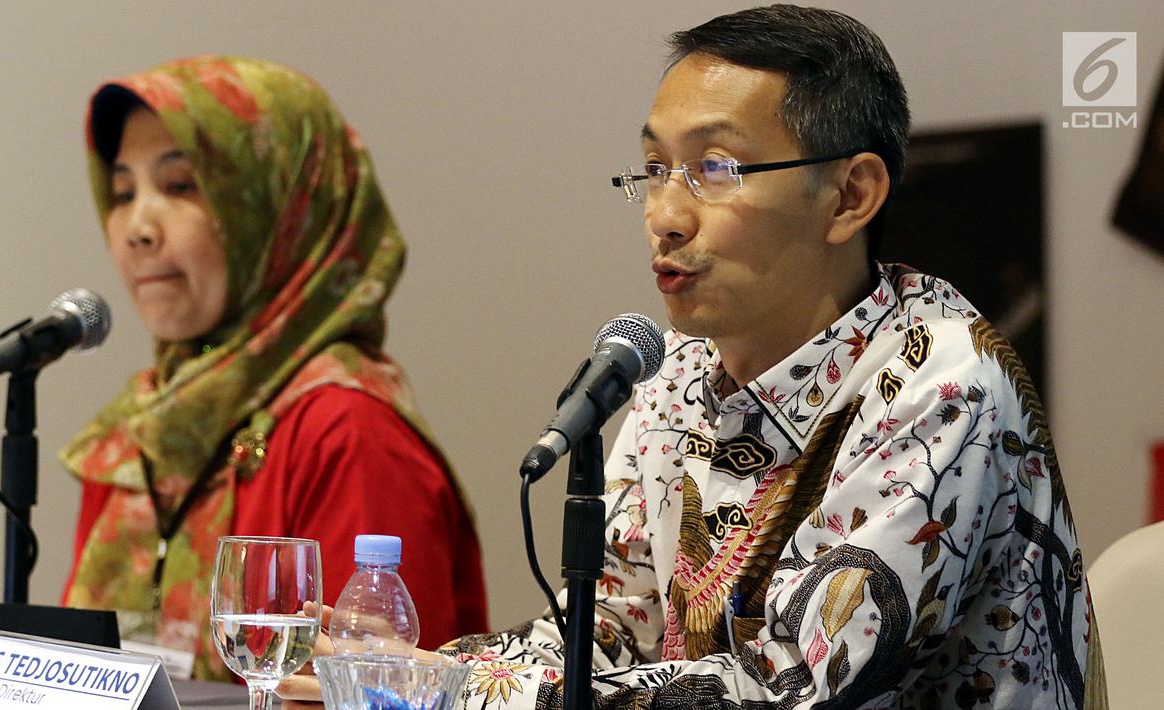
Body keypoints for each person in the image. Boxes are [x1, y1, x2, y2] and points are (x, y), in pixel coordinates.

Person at [436, 6, 1106, 709]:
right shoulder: (676, 370)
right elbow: (609, 628)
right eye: (656, 168)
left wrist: (464, 698)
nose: (663, 214)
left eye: (714, 168)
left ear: (850, 195)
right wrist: (407, 670)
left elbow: (791, 689)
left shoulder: (939, 384)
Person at [59, 55, 488, 681]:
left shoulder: (349, 433)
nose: (137, 228)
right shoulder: (139, 429)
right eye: (122, 193)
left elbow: (377, 691)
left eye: (181, 186)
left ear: (283, 210)